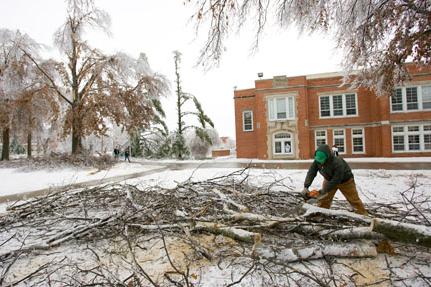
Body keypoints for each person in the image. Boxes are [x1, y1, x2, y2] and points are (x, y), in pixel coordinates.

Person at [302, 144, 368, 215]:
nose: (320, 162)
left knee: (354, 200)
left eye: (322, 160)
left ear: (327, 156)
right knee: (324, 199)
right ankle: (321, 214)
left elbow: (337, 179)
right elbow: (311, 172)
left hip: (345, 181)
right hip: (329, 179)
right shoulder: (317, 161)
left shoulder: (337, 162)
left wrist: (323, 191)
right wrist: (306, 186)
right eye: (318, 160)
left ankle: (363, 215)